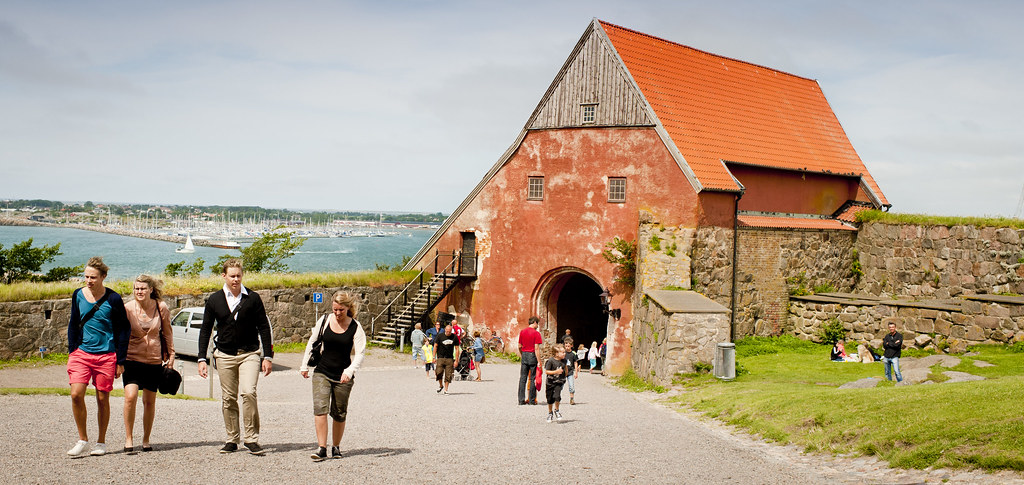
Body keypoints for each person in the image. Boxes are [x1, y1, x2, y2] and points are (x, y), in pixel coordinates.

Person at [198, 259, 275, 455]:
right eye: (232, 276)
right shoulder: (214, 300)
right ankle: (232, 438)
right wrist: (201, 358)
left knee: (249, 393)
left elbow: (264, 327)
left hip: (249, 353)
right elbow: (206, 329)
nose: (235, 279)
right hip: (224, 355)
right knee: (228, 398)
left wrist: (268, 356)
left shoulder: (253, 298)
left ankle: (251, 438)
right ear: (224, 276)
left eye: (238, 276)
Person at [66, 257, 130, 457]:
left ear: (103, 277)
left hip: (106, 355)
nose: (88, 281)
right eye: (86, 276)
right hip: (81, 353)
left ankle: (101, 442)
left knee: (102, 399)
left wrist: (120, 361)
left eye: (93, 277)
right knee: (76, 394)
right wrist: (72, 349)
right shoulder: (78, 295)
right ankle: (82, 439)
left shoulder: (113, 299)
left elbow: (124, 329)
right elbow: (73, 322)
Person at [300, 291, 367, 462]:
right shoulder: (324, 320)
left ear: (348, 308)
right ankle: (321, 448)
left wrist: (349, 371)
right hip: (322, 371)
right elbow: (312, 342)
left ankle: (336, 446)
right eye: (335, 309)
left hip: (343, 375)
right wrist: (304, 365)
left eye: (341, 310)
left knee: (339, 413)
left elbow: (360, 353)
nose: (337, 313)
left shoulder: (355, 327)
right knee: (320, 409)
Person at [122, 274, 174, 454]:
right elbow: (121, 334)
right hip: (132, 359)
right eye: (137, 288)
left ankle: (146, 439)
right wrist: (118, 359)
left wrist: (171, 355)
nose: (139, 291)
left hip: (153, 360)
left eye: (143, 288)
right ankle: (129, 438)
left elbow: (167, 332)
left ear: (151, 289)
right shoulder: (127, 308)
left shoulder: (161, 307)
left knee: (149, 401)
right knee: (130, 397)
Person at [517, 316, 543, 405]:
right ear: (535, 322)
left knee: (522, 378)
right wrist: (539, 361)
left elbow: (519, 346)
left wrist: (522, 354)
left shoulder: (522, 332)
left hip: (524, 354)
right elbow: (536, 348)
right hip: (532, 355)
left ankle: (521, 400)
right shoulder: (536, 333)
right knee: (532, 378)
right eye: (537, 323)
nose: (538, 326)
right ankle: (532, 400)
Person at [543, 345, 568, 422]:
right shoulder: (551, 361)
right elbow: (547, 371)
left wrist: (565, 375)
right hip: (550, 382)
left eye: (564, 352)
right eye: (562, 352)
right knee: (550, 399)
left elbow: (565, 368)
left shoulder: (564, 361)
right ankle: (550, 413)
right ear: (556, 354)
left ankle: (557, 410)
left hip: (559, 382)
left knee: (557, 396)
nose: (564, 354)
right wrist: (556, 372)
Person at [433, 324, 460, 394]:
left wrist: (456, 360)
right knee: (438, 372)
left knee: (448, 375)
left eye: (449, 331)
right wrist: (433, 357)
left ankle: (446, 389)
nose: (448, 333)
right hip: (440, 357)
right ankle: (441, 385)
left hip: (449, 358)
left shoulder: (454, 337)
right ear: (445, 330)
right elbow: (435, 346)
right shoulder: (440, 336)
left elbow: (457, 349)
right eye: (447, 331)